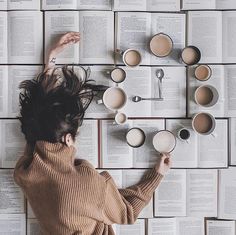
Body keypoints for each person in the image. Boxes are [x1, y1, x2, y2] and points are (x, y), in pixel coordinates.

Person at [13, 32, 172, 235]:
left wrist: (51, 60)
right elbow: (128, 212)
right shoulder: (88, 184)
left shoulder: (25, 171)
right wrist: (157, 176)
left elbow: (37, 124)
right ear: (68, 139)